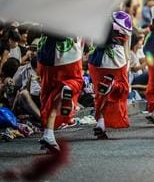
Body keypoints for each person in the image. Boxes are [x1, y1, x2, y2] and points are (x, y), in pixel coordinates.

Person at [88, 11, 132, 139]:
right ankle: (112, 85)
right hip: (116, 57)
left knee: (99, 93)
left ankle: (100, 123)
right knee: (123, 87)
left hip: (96, 59)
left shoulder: (95, 17)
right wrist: (127, 62)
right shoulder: (124, 17)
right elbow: (126, 46)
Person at [37, 33, 83, 152]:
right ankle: (68, 87)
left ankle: (48, 134)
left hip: (45, 54)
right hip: (69, 54)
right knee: (75, 81)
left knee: (48, 95)